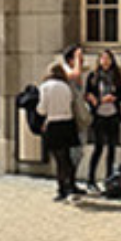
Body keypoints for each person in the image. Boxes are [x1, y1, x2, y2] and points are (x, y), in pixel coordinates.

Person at [84, 49, 121, 192]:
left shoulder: (117, 76)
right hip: (99, 115)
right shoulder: (93, 76)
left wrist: (114, 98)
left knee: (112, 148)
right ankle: (91, 179)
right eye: (103, 58)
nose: (105, 61)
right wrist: (97, 100)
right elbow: (87, 94)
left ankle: (108, 179)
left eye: (108, 58)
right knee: (98, 147)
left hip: (113, 114)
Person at [38, 61, 82, 201]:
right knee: (67, 157)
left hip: (54, 123)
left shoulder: (45, 87)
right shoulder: (66, 87)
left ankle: (62, 188)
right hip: (68, 123)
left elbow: (42, 109)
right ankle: (71, 184)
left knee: (59, 159)